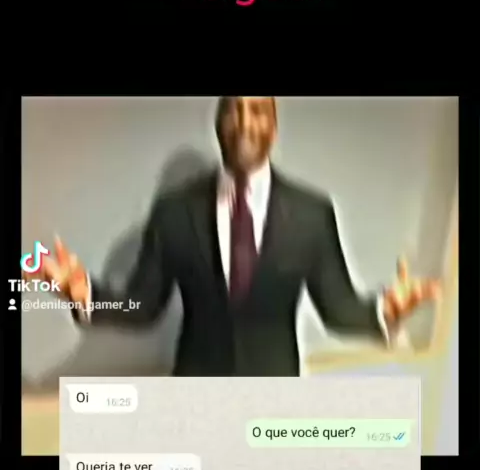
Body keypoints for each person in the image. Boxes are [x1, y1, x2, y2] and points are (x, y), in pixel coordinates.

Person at [32, 96, 441, 376]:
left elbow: (338, 309)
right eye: (234, 110)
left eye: (258, 111)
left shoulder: (311, 215)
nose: (245, 123)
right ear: (218, 125)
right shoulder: (174, 213)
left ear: (274, 128)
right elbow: (143, 306)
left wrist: (386, 310)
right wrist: (85, 294)